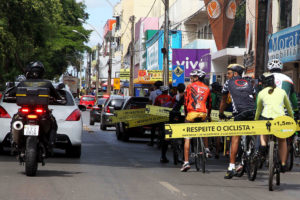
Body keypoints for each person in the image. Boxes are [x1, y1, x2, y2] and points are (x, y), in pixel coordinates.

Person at [8, 61, 65, 156]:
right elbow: (58, 97)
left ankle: (14, 143)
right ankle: (50, 144)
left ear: (28, 72)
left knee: (15, 120)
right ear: (42, 72)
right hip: (42, 113)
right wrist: (60, 99)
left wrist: (9, 96)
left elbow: (10, 94)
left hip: (25, 112)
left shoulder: (23, 83)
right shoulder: (47, 83)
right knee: (53, 123)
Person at [219, 64, 256, 179]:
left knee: (235, 137)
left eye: (229, 73)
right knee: (252, 133)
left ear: (235, 74)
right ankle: (251, 150)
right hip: (252, 111)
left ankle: (231, 167)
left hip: (239, 112)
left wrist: (221, 113)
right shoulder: (249, 82)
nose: (227, 75)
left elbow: (224, 100)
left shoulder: (228, 83)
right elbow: (254, 96)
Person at [255, 72, 294, 172]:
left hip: (266, 118)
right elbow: (289, 108)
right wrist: (292, 117)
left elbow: (258, 110)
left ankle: (263, 146)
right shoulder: (282, 92)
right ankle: (283, 163)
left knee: (263, 133)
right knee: (282, 141)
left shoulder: (261, 93)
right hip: (280, 119)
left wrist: (255, 120)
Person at [181, 70, 212, 172]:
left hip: (192, 114)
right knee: (204, 129)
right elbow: (209, 104)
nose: (191, 78)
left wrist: (186, 114)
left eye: (193, 76)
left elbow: (185, 102)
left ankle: (186, 162)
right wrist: (209, 115)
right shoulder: (207, 88)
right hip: (203, 113)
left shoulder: (189, 87)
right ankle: (206, 149)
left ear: (197, 77)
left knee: (187, 138)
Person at [148, 81, 163, 146]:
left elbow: (150, 103)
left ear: (155, 86)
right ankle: (162, 141)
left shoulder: (152, 93)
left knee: (153, 127)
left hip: (154, 111)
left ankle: (152, 141)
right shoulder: (164, 92)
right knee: (162, 127)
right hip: (163, 111)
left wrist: (149, 112)